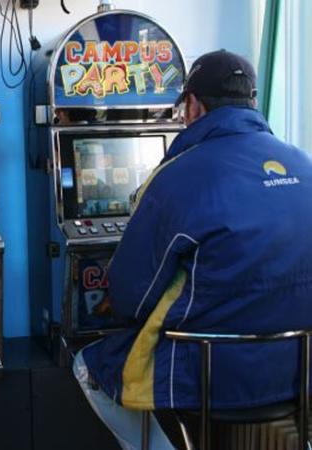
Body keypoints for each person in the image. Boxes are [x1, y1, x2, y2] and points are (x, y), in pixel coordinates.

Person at [73, 49, 312, 449]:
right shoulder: (303, 163)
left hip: (210, 375)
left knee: (87, 366)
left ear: (194, 105)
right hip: (299, 368)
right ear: (253, 101)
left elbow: (130, 297)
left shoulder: (176, 177)